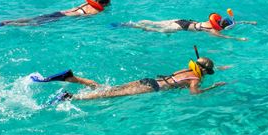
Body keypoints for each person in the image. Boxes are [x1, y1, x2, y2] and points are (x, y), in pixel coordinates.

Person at [31, 54, 225, 102]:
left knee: (112, 88)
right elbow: (195, 94)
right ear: (205, 72)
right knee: (110, 95)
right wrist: (214, 87)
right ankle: (70, 97)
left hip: (149, 80)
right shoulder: (195, 79)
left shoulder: (186, 70)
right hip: (151, 88)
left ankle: (74, 79)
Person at [0, 0, 110, 32]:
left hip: (60, 12)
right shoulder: (96, 10)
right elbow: (84, 18)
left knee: (32, 18)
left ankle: (4, 22)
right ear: (103, 4)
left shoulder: (86, 3)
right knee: (34, 25)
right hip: (64, 18)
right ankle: (8, 25)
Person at [119, 11, 255, 41]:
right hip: (179, 27)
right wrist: (238, 39)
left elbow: (232, 22)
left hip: (182, 20)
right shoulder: (212, 30)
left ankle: (137, 21)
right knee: (156, 30)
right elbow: (224, 37)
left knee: (155, 23)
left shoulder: (213, 22)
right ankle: (132, 26)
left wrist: (247, 22)